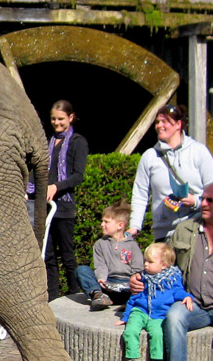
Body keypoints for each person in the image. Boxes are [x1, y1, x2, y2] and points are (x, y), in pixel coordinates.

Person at [155, 181, 213, 361]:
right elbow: (164, 260)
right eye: (204, 198)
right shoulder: (186, 228)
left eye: (210, 200)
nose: (204, 203)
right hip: (193, 302)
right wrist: (141, 277)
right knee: (174, 317)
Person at [129, 104, 213, 242]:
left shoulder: (198, 152)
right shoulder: (150, 157)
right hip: (164, 234)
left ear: (178, 125)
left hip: (195, 230)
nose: (159, 126)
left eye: (165, 121)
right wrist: (134, 226)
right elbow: (140, 195)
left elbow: (212, 189)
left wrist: (196, 202)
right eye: (157, 122)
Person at [116, 242, 192, 361]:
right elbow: (134, 298)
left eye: (150, 262)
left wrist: (187, 297)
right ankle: (132, 360)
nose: (145, 265)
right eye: (145, 261)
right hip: (141, 310)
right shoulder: (143, 278)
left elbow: (177, 291)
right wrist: (126, 316)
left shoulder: (172, 278)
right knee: (130, 330)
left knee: (158, 335)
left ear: (164, 265)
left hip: (160, 314)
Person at [40, 100, 88, 300]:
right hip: (46, 205)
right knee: (48, 256)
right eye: (53, 118)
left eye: (60, 119)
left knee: (67, 255)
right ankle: (52, 297)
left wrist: (57, 186)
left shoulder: (77, 141)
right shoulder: (49, 141)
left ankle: (74, 296)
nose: (56, 123)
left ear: (70, 117)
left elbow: (78, 176)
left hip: (64, 205)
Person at [75, 202, 143, 311]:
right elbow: (100, 265)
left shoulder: (132, 245)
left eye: (106, 222)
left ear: (120, 225)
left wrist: (134, 282)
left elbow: (138, 269)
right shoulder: (100, 244)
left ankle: (132, 301)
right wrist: (101, 279)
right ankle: (99, 296)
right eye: (102, 221)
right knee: (82, 270)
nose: (102, 224)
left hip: (127, 285)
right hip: (108, 284)